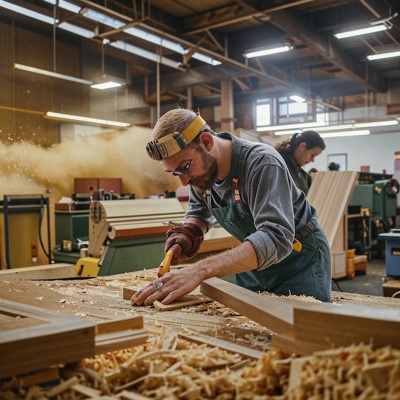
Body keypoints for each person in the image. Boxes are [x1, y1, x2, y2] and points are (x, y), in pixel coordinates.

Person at [134, 109, 332, 307]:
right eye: (174, 172)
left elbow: (276, 237)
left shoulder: (262, 163)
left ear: (206, 142)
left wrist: (199, 270)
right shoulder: (201, 172)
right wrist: (189, 232)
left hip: (298, 261)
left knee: (307, 331)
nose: (184, 182)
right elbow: (199, 210)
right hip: (251, 264)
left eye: (185, 167)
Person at [274, 131, 325, 195]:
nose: (312, 160)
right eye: (313, 155)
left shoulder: (305, 177)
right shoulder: (279, 168)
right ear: (302, 146)